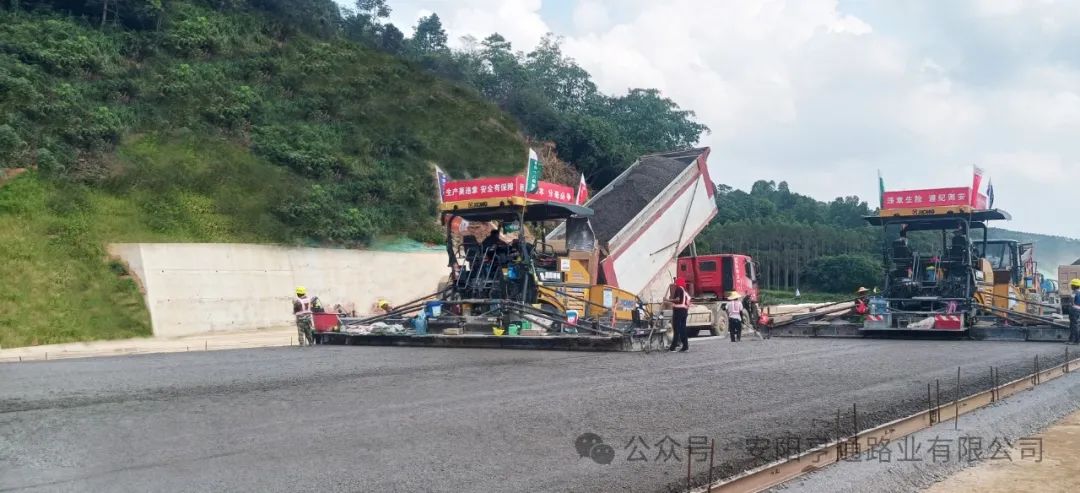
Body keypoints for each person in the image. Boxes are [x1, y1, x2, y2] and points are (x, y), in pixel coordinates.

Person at [668, 278, 691, 352]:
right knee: (683, 329)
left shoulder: (678, 289)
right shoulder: (684, 290)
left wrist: (668, 300)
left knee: (676, 329)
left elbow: (677, 299)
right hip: (684, 311)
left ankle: (673, 347)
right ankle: (685, 346)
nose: (675, 284)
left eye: (676, 282)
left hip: (678, 312)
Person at [1069, 279, 1080, 345]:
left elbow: (1072, 302)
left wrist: (1072, 304)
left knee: (1074, 325)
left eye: (1072, 285)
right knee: (1076, 325)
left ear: (1074, 286)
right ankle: (1072, 340)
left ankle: (1076, 341)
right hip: (1078, 310)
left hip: (1074, 310)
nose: (1071, 286)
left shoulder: (1074, 293)